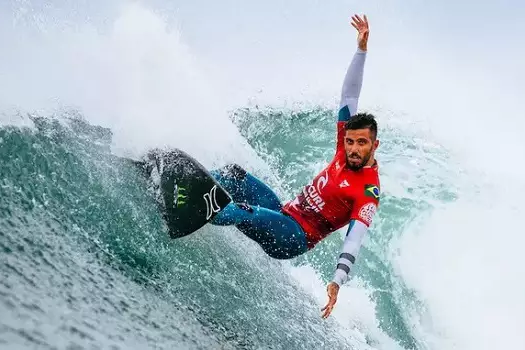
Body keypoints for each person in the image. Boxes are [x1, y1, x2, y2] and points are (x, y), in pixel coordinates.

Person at [207, 14, 380, 319]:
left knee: (241, 209)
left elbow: (355, 238)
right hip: (284, 213)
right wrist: (361, 50)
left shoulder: (368, 191)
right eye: (350, 142)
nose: (352, 149)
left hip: (293, 238)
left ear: (374, 145)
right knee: (234, 175)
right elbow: (349, 95)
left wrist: (337, 281)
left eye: (361, 144)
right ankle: (190, 183)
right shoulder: (344, 145)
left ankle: (192, 206)